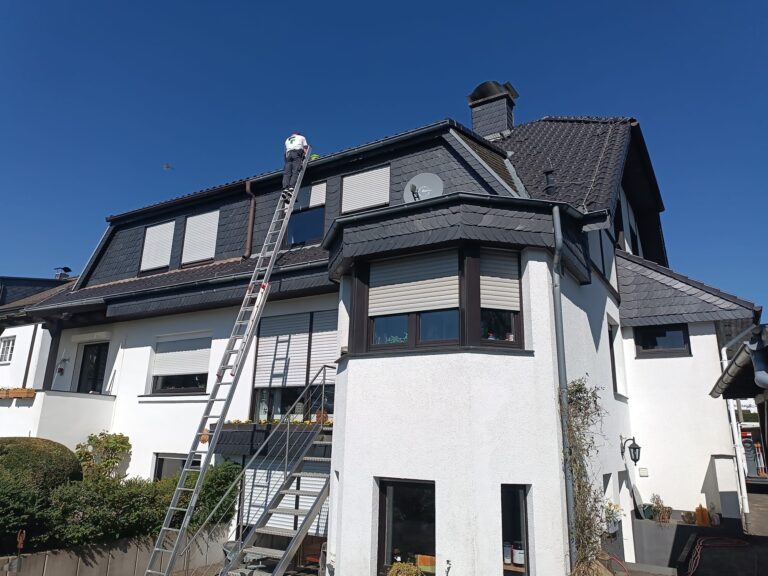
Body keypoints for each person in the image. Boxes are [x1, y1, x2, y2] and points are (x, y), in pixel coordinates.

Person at [282, 132, 308, 201]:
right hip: (296, 154)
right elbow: (305, 148)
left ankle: (285, 188)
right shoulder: (301, 137)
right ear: (298, 134)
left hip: (288, 156)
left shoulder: (287, 139)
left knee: (287, 173)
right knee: (295, 171)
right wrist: (305, 157)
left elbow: (285, 151)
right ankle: (291, 187)